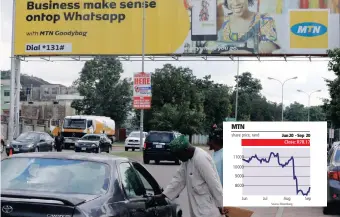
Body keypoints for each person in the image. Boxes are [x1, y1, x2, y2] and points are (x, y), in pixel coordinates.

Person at [152, 135, 226, 217]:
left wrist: (221, 204)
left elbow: (214, 183)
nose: (179, 158)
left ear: (186, 150)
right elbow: (178, 179)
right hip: (197, 208)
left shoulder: (201, 158)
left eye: (178, 155)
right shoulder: (187, 160)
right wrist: (163, 195)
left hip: (209, 210)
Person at [205, 0, 280, 55]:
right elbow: (207, 48)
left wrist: (253, 52)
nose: (235, 3)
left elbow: (270, 45)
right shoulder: (219, 21)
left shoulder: (263, 19)